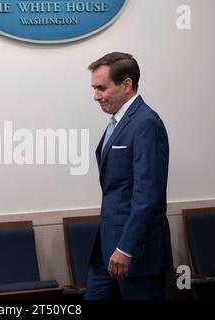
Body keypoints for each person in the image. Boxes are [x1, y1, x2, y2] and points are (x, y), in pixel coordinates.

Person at [85, 52, 173, 300]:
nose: (96, 96)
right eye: (94, 88)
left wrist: (126, 248)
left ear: (126, 84)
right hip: (106, 250)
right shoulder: (117, 122)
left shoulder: (146, 123)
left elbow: (148, 195)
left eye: (101, 88)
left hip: (135, 253)